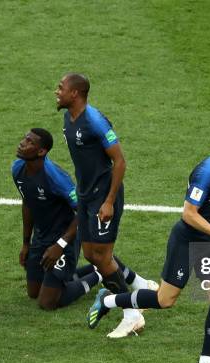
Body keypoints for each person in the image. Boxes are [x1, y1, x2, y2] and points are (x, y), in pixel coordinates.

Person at [86, 122, 210, 363]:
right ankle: (108, 300)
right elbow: (189, 214)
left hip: (207, 243)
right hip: (186, 240)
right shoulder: (207, 173)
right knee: (165, 300)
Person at [56, 73, 156, 337]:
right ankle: (141, 286)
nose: (57, 91)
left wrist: (109, 200)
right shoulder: (69, 117)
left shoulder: (95, 121)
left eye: (61, 88)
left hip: (103, 196)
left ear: (75, 93)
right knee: (91, 255)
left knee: (102, 256)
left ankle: (132, 314)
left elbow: (120, 162)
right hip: (87, 195)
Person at [13, 128, 154, 311]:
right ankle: (96, 268)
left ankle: (100, 273)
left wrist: (61, 245)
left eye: (30, 142)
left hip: (65, 237)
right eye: (25, 138)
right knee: (34, 292)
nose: (22, 143)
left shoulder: (55, 178)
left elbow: (82, 209)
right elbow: (28, 203)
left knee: (47, 302)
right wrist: (26, 243)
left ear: (41, 152)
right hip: (41, 237)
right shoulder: (17, 169)